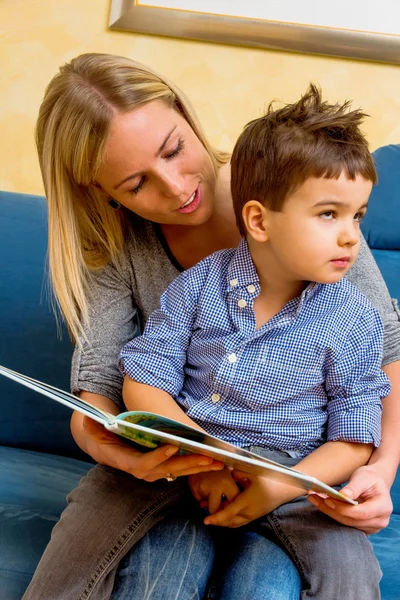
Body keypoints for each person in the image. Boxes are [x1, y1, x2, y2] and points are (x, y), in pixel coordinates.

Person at [23, 53, 400, 600]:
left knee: (342, 574)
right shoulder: (163, 271)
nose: (176, 188)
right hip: (174, 463)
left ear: (185, 114)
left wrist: (381, 469)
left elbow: (379, 367)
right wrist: (155, 454)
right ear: (103, 192)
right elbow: (107, 387)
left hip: (296, 469)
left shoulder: (307, 204)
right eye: (136, 184)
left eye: (175, 149)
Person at [119, 84, 391, 598]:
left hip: (299, 478)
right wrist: (206, 459)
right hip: (190, 462)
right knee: (147, 577)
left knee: (347, 574)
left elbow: (356, 434)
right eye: (329, 214)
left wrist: (277, 486)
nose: (352, 236)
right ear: (259, 220)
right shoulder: (198, 285)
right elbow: (143, 379)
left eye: (357, 215)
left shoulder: (356, 317)